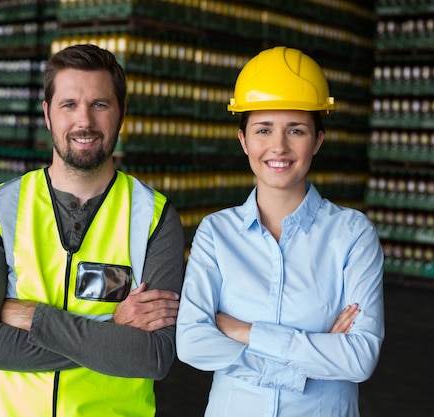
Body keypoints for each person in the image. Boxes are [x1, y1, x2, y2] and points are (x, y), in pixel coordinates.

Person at [0, 43, 185, 417]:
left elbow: (152, 357)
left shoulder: (154, 219)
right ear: (47, 115)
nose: (85, 122)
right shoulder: (0, 208)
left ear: (122, 113)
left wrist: (34, 318)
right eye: (69, 105)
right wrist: (111, 332)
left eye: (100, 104)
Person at [175, 46, 385, 416]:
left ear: (318, 140)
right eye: (263, 129)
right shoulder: (216, 234)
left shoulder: (352, 236)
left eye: (296, 130)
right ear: (243, 140)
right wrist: (307, 357)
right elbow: (192, 342)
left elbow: (359, 358)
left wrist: (244, 332)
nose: (279, 146)